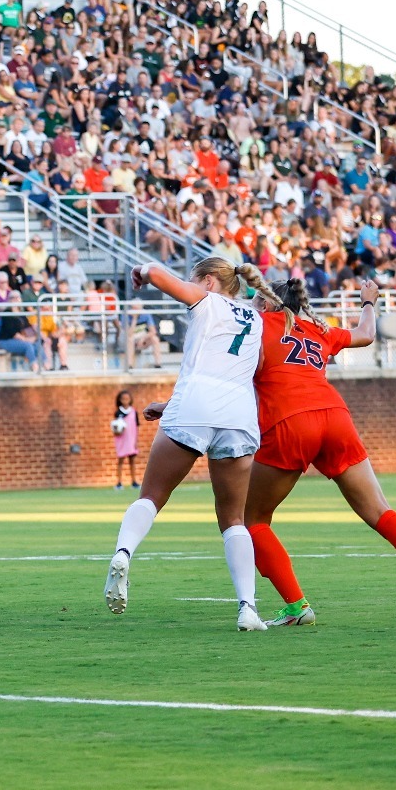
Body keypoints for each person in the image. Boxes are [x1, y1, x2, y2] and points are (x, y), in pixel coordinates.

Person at [246, 278, 396, 625]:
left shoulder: (257, 325)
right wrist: (368, 301)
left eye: (256, 300)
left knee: (253, 521)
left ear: (266, 303)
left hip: (289, 420)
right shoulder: (318, 328)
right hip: (336, 417)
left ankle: (297, 606)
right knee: (380, 511)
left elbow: (222, 371)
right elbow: (366, 334)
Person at [105, 258, 270, 632]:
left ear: (209, 282)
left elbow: (163, 277)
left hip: (195, 404)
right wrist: (169, 405)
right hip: (239, 415)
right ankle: (248, 608)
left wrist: (143, 270)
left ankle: (123, 553)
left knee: (151, 496)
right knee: (233, 520)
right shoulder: (255, 320)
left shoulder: (207, 300)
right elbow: (250, 368)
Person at [111, 390, 140, 491]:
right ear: (120, 400)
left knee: (132, 460)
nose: (125, 401)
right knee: (121, 460)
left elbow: (136, 427)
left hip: (131, 439)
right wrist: (117, 431)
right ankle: (119, 482)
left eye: (127, 399)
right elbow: (115, 426)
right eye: (123, 399)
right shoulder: (118, 412)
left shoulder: (134, 412)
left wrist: (136, 441)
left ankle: (134, 481)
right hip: (122, 440)